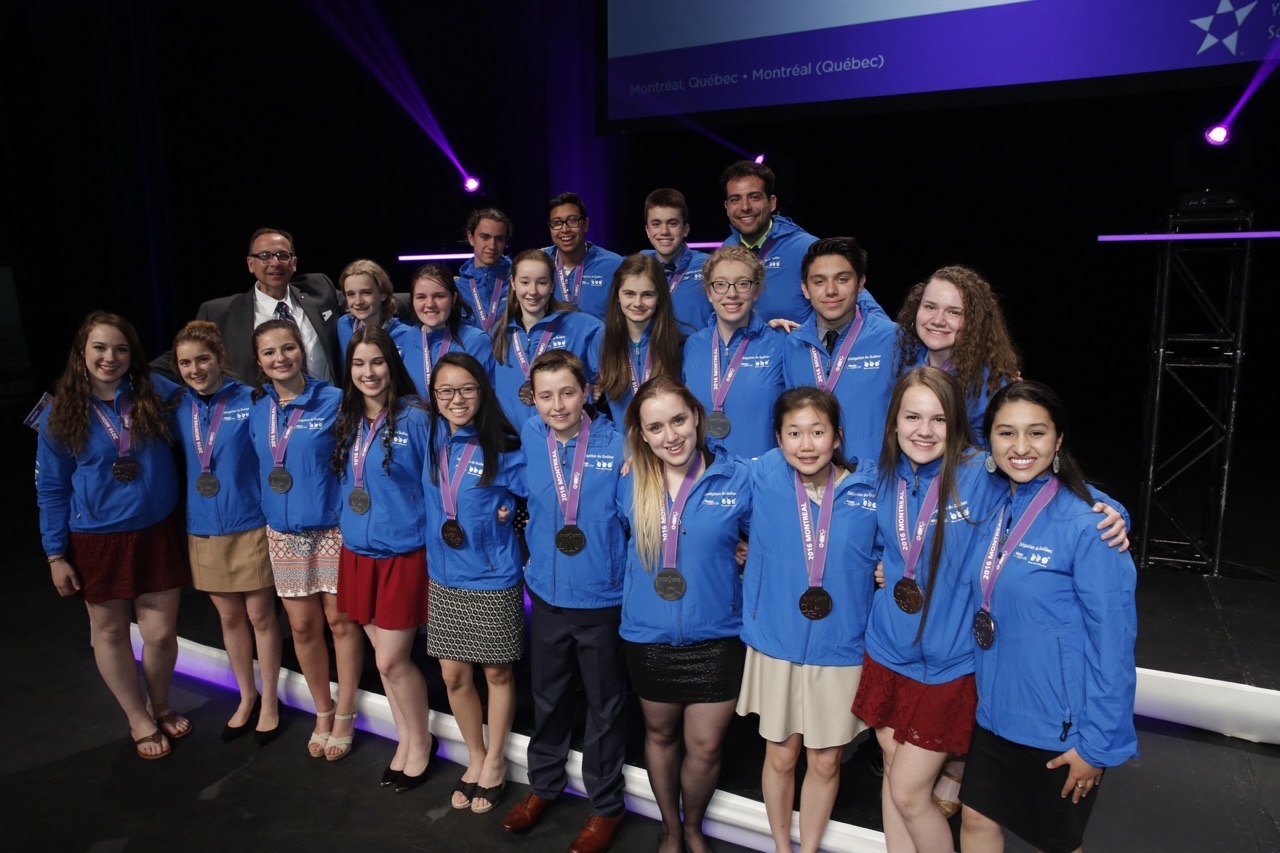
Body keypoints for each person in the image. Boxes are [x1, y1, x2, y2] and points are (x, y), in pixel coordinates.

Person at [853, 367, 1129, 853]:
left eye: (938, 418)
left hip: (950, 663)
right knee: (898, 775)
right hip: (889, 650)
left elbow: (1052, 486)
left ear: (957, 424)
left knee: (908, 789)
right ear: (893, 421)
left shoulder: (981, 474)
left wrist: (1113, 510)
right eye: (912, 416)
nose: (924, 429)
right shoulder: (880, 476)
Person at [960, 381, 1137, 853]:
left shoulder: (1092, 526)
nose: (1020, 448)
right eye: (1006, 433)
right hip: (996, 713)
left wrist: (1097, 746)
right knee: (976, 819)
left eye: (1036, 433)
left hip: (1060, 729)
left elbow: (1114, 646)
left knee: (1056, 845)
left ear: (1058, 441)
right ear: (990, 442)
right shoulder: (997, 501)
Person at [37, 312, 191, 759]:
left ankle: (159, 704)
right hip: (95, 537)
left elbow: (206, 404)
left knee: (160, 634)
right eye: (100, 348)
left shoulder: (155, 394)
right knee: (109, 633)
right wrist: (54, 554)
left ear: (133, 354)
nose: (110, 357)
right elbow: (50, 487)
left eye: (120, 349)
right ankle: (138, 718)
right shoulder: (59, 412)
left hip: (154, 531)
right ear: (81, 353)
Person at [737, 387, 880, 853]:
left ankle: (810, 846)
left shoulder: (867, 492)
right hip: (776, 643)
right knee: (780, 755)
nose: (806, 444)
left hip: (840, 648)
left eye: (817, 432)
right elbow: (694, 480)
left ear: (837, 437)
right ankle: (781, 846)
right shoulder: (760, 478)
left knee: (825, 760)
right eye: (794, 433)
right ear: (778, 439)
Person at [501, 351, 630, 853]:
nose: (557, 405)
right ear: (534, 398)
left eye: (568, 392)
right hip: (547, 594)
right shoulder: (533, 435)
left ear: (588, 393)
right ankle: (543, 786)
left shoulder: (619, 447)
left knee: (604, 706)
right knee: (548, 697)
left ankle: (605, 806)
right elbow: (518, 482)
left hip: (601, 598)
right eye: (546, 395)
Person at [618, 377, 751, 853]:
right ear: (642, 433)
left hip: (716, 635)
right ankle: (669, 828)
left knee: (707, 746)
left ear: (696, 416)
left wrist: (747, 550)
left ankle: (691, 825)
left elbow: (768, 540)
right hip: (648, 636)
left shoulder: (737, 478)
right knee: (659, 733)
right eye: (656, 427)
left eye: (677, 420)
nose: (670, 435)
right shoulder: (627, 480)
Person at [248, 318, 364, 760]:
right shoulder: (258, 406)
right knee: (301, 626)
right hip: (283, 533)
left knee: (340, 623)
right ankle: (323, 709)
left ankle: (347, 711)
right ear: (259, 362)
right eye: (270, 353)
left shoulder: (335, 401)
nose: (281, 359)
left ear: (302, 351)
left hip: (331, 529)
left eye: (288, 349)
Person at [330, 325, 435, 792]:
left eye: (377, 362)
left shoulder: (416, 417)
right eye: (358, 363)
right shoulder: (346, 415)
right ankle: (406, 739)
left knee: (393, 660)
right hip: (357, 552)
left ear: (392, 364)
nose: (368, 372)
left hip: (403, 553)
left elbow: (437, 485)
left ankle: (422, 740)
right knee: (381, 657)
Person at [423, 352, 526, 815]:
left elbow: (543, 491)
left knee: (496, 672)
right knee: (452, 674)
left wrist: (513, 514)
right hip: (443, 575)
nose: (456, 399)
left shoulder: (503, 445)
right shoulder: (428, 439)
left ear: (482, 392)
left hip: (491, 575)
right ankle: (476, 754)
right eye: (446, 391)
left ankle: (497, 761)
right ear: (434, 397)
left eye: (466, 389)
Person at [172, 321, 283, 744]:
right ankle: (246, 696)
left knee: (260, 616)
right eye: (185, 362)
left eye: (203, 359)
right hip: (203, 528)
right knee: (230, 617)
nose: (196, 369)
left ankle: (270, 700)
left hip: (249, 522)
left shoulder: (254, 399)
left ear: (219, 357)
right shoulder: (176, 404)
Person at [156, 228, 342, 383]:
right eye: (264, 256)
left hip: (327, 410)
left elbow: (364, 305)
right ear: (250, 264)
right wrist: (135, 370)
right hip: (262, 416)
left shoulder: (320, 290)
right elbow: (183, 354)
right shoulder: (220, 313)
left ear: (294, 263)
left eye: (282, 255)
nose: (275, 263)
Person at [718, 160, 883, 325]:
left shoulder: (805, 247)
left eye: (754, 197)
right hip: (743, 350)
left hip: (796, 349)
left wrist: (892, 339)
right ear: (726, 207)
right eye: (735, 199)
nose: (745, 207)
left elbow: (856, 297)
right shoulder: (726, 251)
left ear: (772, 202)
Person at [783, 237, 898, 465]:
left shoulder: (892, 338)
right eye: (818, 282)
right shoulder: (793, 344)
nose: (831, 291)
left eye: (842, 279)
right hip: (813, 480)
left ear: (861, 283)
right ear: (805, 289)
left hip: (875, 481)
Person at [893, 265, 1020, 447]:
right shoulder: (903, 362)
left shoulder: (993, 385)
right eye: (930, 307)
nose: (937, 320)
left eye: (954, 312)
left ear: (974, 321)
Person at [680, 246, 787, 460]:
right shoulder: (693, 346)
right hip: (706, 477)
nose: (732, 293)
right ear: (709, 293)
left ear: (756, 291)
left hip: (760, 477)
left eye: (743, 284)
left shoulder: (780, 343)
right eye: (720, 284)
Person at [492, 249, 603, 425]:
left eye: (542, 283)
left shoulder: (585, 328)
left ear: (552, 285)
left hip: (572, 442)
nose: (533, 291)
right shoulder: (498, 334)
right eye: (525, 282)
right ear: (513, 283)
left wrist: (601, 386)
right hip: (516, 447)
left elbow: (614, 378)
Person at [596, 253, 683, 420]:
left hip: (665, 442)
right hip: (621, 444)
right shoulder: (599, 342)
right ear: (617, 296)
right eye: (629, 294)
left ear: (660, 297)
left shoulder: (680, 344)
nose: (638, 303)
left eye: (647, 294)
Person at [400, 263, 497, 397]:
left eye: (439, 296)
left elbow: (488, 398)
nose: (430, 304)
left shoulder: (476, 341)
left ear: (453, 298)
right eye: (421, 297)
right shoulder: (403, 340)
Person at [640, 188, 712, 333]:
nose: (664, 231)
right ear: (647, 231)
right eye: (656, 224)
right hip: (651, 354)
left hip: (696, 353)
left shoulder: (709, 266)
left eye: (672, 223)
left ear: (685, 229)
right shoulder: (638, 265)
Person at [543, 192, 624, 320]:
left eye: (572, 220)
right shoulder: (538, 263)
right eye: (557, 222)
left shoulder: (615, 265)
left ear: (585, 224)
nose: (565, 229)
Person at [336, 259, 413, 360]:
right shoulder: (344, 325)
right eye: (351, 294)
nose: (358, 301)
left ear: (383, 294)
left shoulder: (407, 335)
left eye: (366, 293)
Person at [457, 208, 514, 334]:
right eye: (485, 237)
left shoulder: (518, 280)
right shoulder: (457, 287)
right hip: (471, 353)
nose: (492, 246)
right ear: (471, 238)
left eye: (499, 239)